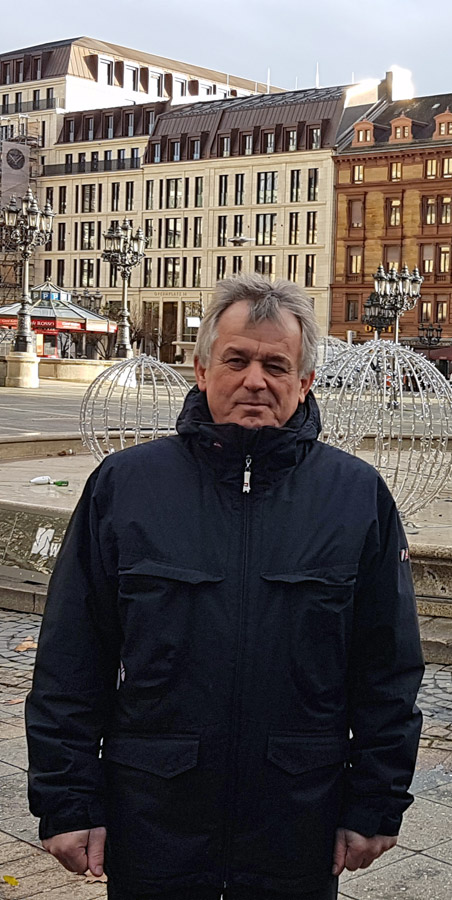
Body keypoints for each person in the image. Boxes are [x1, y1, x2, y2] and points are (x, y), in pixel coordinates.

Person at [27, 274, 424, 899]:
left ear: (305, 382)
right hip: (154, 817)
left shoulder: (356, 496)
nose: (255, 381)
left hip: (297, 818)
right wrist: (68, 799)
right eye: (236, 361)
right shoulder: (126, 486)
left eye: (276, 365)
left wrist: (376, 800)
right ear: (201, 369)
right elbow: (72, 657)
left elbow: (388, 666)